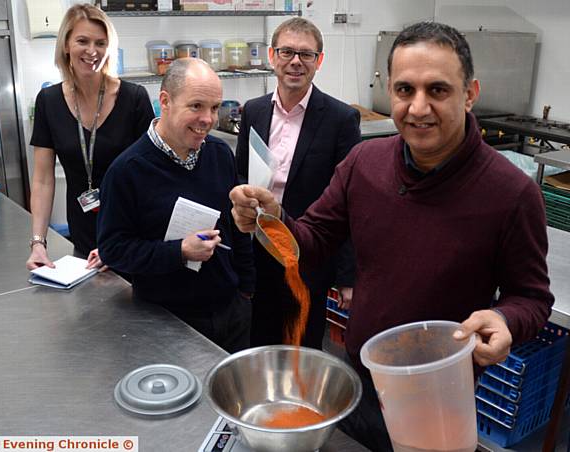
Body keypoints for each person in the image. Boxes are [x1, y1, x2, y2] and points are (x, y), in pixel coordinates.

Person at [230, 21, 554, 451]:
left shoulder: (511, 194)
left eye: (437, 90)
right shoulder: (364, 164)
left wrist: (506, 319)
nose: (418, 108)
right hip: (361, 373)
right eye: (405, 90)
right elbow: (312, 240)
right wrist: (274, 219)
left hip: (437, 392)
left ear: (470, 93)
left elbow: (532, 299)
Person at [97, 58, 255, 353]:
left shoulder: (220, 154)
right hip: (167, 321)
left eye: (214, 107)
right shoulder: (127, 171)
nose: (208, 118)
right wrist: (179, 251)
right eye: (196, 106)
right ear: (165, 102)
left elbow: (238, 227)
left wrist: (246, 288)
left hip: (231, 311)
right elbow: (113, 250)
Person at [235, 17, 361, 349]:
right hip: (259, 249)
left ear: (319, 61)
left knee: (301, 345)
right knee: (259, 339)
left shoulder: (340, 119)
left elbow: (351, 201)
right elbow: (240, 175)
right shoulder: (254, 111)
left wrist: (347, 276)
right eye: (287, 51)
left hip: (308, 256)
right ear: (272, 56)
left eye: (306, 54)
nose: (295, 61)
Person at [26, 4, 155, 271]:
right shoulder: (48, 102)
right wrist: (38, 242)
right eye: (82, 41)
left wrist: (118, 245)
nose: (92, 51)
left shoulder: (134, 98)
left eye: (101, 43)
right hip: (84, 233)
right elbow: (42, 179)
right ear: (66, 45)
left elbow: (150, 176)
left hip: (132, 233)